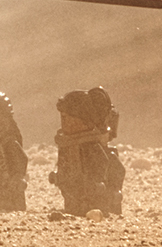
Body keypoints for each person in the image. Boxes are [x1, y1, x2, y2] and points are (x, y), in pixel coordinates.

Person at [48, 86, 125, 215]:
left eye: (67, 118)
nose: (64, 122)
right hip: (73, 198)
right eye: (62, 118)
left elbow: (114, 168)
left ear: (83, 120)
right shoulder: (67, 146)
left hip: (96, 204)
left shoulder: (92, 147)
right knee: (74, 207)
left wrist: (98, 185)